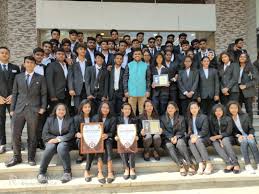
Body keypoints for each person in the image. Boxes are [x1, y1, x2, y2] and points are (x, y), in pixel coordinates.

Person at [6, 56, 47, 167]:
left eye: (31, 62)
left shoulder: (41, 78)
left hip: (34, 109)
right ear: (24, 64)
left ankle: (31, 158)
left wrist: (43, 107)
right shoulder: (18, 77)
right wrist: (12, 109)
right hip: (19, 109)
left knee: (32, 135)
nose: (29, 64)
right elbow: (15, 94)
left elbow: (44, 94)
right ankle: (16, 157)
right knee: (15, 134)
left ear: (34, 65)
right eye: (27, 62)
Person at [37, 103, 75, 184]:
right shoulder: (49, 119)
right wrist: (53, 139)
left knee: (61, 147)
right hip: (51, 140)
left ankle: (67, 172)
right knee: (50, 147)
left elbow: (71, 133)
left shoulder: (70, 120)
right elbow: (45, 134)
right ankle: (41, 173)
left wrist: (59, 139)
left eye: (63, 109)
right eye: (59, 109)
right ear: (55, 110)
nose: (61, 111)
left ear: (66, 111)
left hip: (65, 141)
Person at [160, 101, 196, 176]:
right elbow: (163, 130)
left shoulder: (181, 118)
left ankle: (190, 164)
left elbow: (182, 130)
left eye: (172, 108)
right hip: (167, 138)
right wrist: (170, 138)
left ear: (176, 109)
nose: (170, 109)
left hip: (179, 137)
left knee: (180, 144)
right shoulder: (162, 118)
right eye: (168, 108)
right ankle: (180, 165)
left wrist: (176, 137)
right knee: (169, 146)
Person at [227, 101, 259, 174]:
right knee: (244, 141)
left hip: (247, 135)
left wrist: (251, 134)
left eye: (235, 108)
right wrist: (238, 135)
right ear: (228, 109)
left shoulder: (245, 116)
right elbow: (230, 131)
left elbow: (251, 128)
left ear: (238, 108)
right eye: (231, 108)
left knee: (252, 141)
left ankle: (258, 163)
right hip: (237, 138)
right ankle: (247, 164)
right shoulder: (228, 118)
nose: (233, 109)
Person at [0, 47, 20, 154]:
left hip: (12, 99)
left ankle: (15, 144)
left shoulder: (15, 68)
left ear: (9, 55)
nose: (4, 54)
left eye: (6, 53)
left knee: (16, 122)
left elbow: (19, 83)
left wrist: (13, 95)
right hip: (0, 100)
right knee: (0, 122)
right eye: (2, 53)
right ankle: (1, 144)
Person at [209, 104, 240, 174]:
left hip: (228, 137)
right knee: (215, 143)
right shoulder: (212, 119)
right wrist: (219, 140)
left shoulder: (228, 118)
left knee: (225, 140)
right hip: (217, 138)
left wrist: (219, 138)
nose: (218, 112)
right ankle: (229, 163)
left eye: (220, 110)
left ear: (223, 111)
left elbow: (228, 132)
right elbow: (213, 131)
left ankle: (236, 163)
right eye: (216, 111)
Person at [92, 101, 116, 184]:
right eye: (103, 107)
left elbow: (112, 132)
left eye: (107, 108)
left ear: (109, 109)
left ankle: (110, 172)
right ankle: (100, 172)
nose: (105, 109)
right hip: (97, 139)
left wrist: (107, 135)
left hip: (108, 138)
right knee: (100, 148)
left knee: (108, 144)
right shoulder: (95, 117)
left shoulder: (112, 118)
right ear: (100, 108)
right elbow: (92, 130)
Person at [187, 101, 213, 175]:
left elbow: (205, 131)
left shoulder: (203, 117)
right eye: (191, 108)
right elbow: (189, 131)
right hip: (195, 138)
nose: (193, 109)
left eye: (195, 108)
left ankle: (208, 163)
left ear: (198, 108)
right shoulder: (189, 118)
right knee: (190, 142)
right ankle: (200, 164)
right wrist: (191, 135)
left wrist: (196, 136)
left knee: (198, 141)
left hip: (204, 138)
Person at [123, 48, 151, 115]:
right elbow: (125, 78)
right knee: (131, 111)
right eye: (135, 54)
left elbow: (148, 79)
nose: (137, 55)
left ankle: (141, 125)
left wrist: (148, 90)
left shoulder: (146, 66)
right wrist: (126, 90)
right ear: (133, 56)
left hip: (143, 92)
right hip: (131, 92)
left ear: (142, 55)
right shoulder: (129, 65)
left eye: (139, 54)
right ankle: (133, 125)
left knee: (143, 111)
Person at [115, 103, 138, 180]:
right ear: (122, 110)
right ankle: (126, 168)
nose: (127, 110)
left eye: (129, 109)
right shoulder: (118, 119)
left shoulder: (134, 119)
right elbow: (115, 130)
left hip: (132, 139)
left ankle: (132, 168)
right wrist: (116, 136)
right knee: (121, 144)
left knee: (133, 144)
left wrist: (137, 136)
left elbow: (137, 131)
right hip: (121, 139)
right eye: (125, 109)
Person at [73, 100, 94, 181]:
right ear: (81, 108)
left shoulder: (94, 117)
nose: (87, 109)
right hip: (81, 139)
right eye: (85, 107)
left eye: (89, 107)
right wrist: (76, 133)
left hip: (92, 139)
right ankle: (81, 154)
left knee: (90, 145)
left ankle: (87, 170)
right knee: (79, 140)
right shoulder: (76, 118)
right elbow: (74, 131)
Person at [46, 48, 69, 113]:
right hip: (56, 95)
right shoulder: (51, 65)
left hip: (66, 94)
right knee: (54, 113)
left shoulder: (67, 65)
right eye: (59, 54)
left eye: (63, 54)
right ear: (55, 55)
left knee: (64, 112)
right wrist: (52, 95)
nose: (61, 55)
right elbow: (49, 81)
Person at [68, 44, 90, 111]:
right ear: (77, 50)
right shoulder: (73, 62)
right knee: (77, 107)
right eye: (81, 49)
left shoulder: (88, 62)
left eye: (84, 49)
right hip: (76, 88)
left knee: (86, 107)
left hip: (87, 87)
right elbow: (70, 77)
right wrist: (71, 88)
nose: (83, 50)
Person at [238, 53, 257, 123]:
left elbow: (255, 80)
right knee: (238, 109)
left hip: (248, 91)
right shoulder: (236, 67)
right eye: (240, 56)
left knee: (249, 110)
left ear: (247, 58)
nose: (242, 58)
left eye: (244, 57)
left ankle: (250, 127)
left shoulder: (251, 67)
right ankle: (240, 126)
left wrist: (246, 85)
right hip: (238, 91)